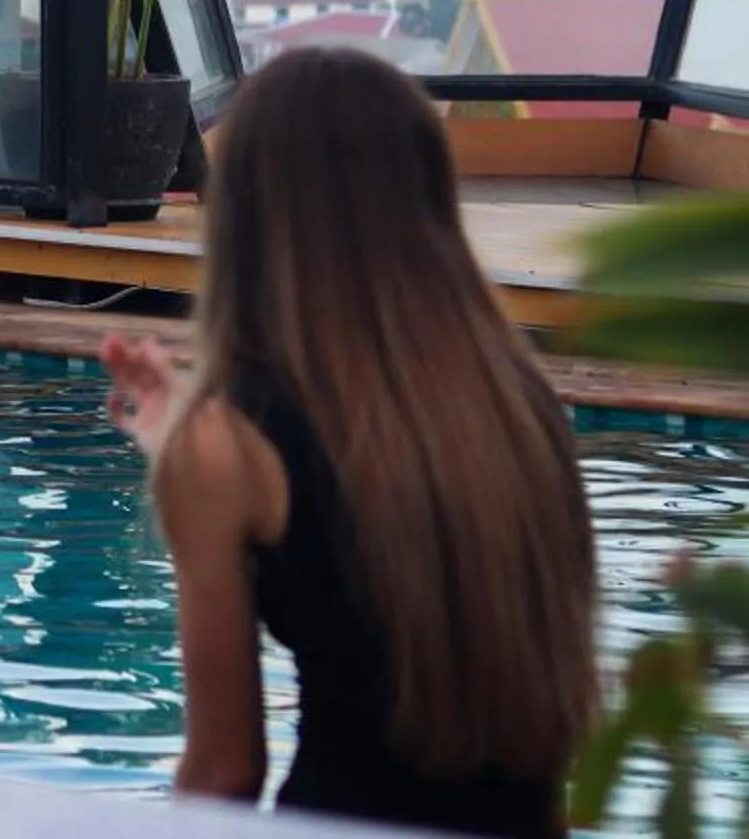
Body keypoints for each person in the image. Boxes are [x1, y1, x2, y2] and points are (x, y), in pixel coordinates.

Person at [100, 49, 595, 836]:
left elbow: (223, 777)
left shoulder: (224, 447)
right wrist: (187, 443)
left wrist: (191, 455)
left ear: (250, 218)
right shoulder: (519, 406)